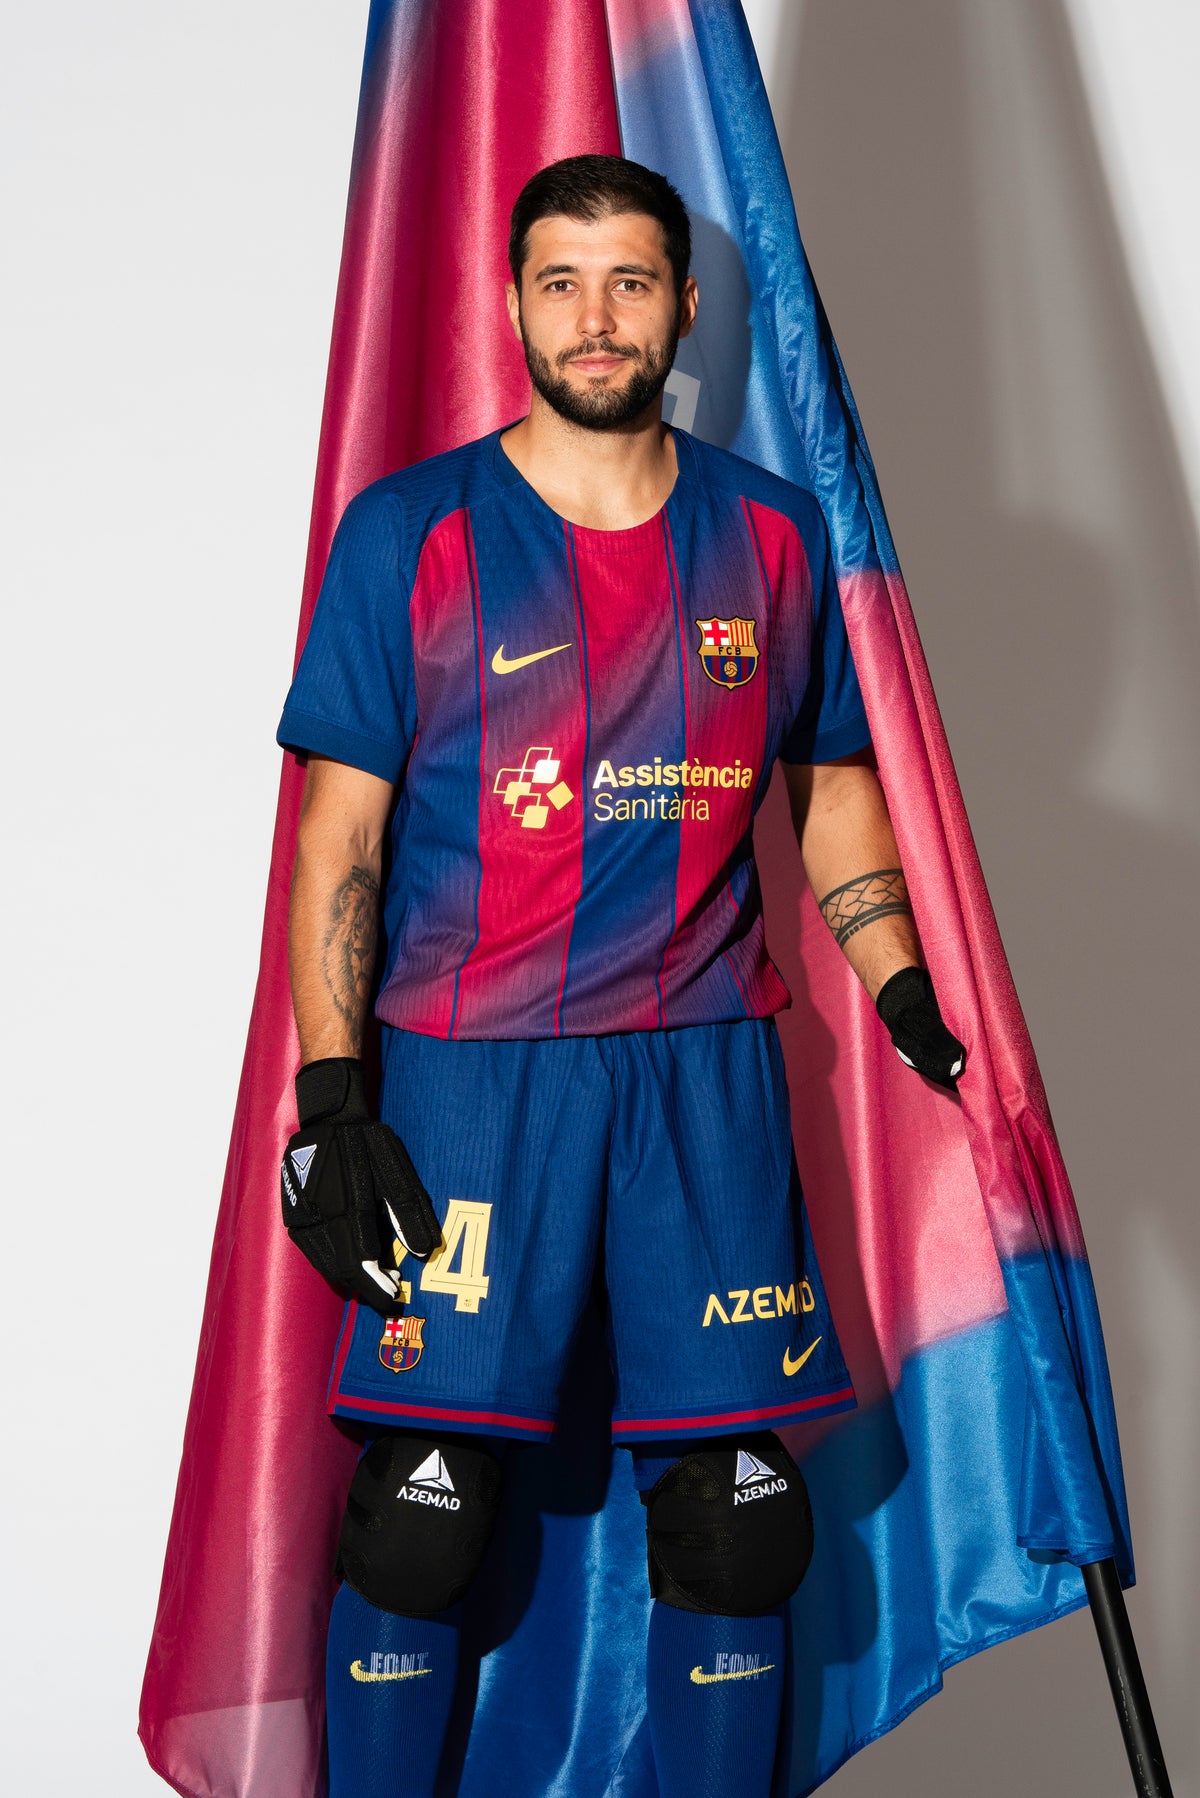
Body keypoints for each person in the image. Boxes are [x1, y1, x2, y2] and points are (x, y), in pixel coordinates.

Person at [276, 155, 965, 1798]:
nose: (597, 319)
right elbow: (338, 841)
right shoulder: (413, 532)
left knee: (740, 1522)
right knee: (423, 1514)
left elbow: (839, 784)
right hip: (467, 1078)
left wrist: (904, 989)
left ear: (685, 309)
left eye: (633, 282)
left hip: (701, 1075)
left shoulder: (778, 541)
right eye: (563, 283)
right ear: (513, 303)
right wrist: (329, 1092)